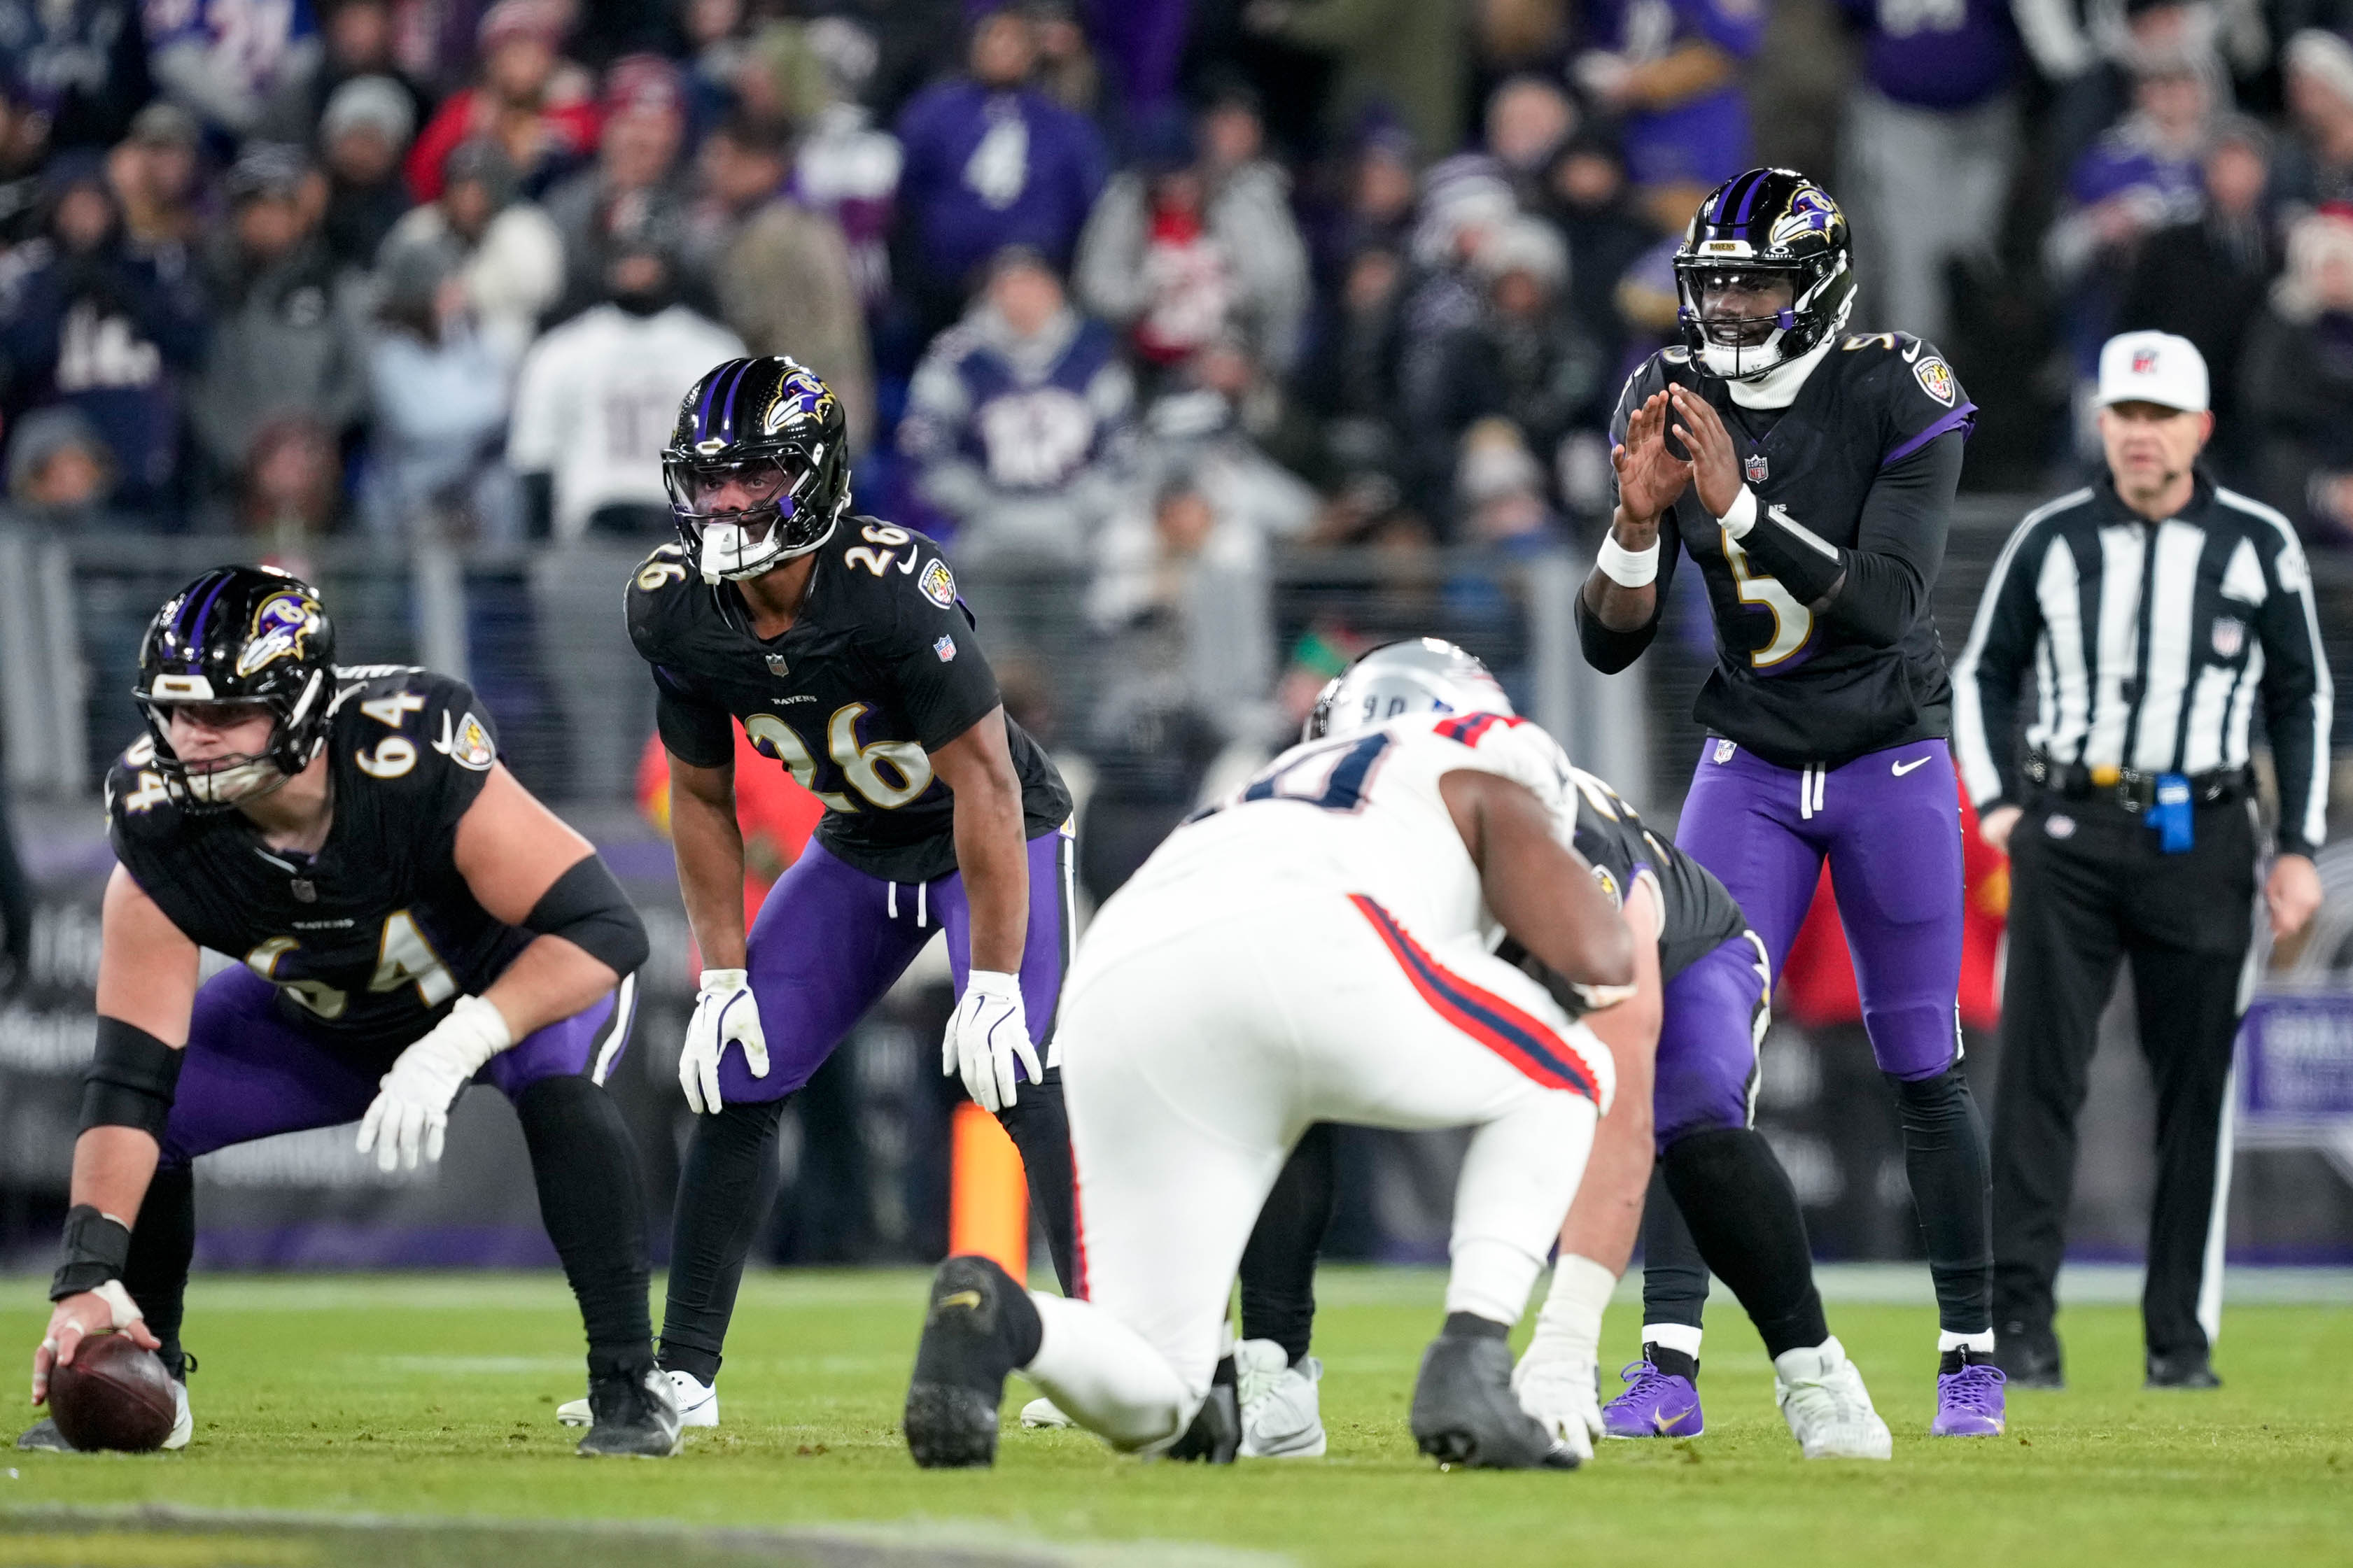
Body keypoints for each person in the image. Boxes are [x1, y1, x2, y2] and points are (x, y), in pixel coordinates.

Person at [901, 640, 1629, 1471]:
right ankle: (1473, 1353)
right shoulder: (1484, 747)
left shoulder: (1262, 781)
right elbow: (1599, 960)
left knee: (1169, 1397)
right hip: (1311, 934)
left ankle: (999, 1313)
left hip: (1121, 975)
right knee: (1573, 1066)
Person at [19, 565, 676, 1457]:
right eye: (177, 713)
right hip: (329, 1015)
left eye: (224, 714)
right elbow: (128, 1082)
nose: (193, 741)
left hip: (506, 980)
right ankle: (153, 1376)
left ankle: (628, 1385)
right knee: (160, 1110)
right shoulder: (155, 817)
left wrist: (464, 1039)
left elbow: (602, 930)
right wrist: (85, 1276)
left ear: (300, 706)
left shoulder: (408, 753)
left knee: (562, 1091)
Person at [1207, 639, 1893, 1464]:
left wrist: (1565, 1345)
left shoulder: (1560, 841)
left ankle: (1812, 1367)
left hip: (1678, 960)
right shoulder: (1334, 829)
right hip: (1492, 975)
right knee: (1293, 1076)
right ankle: (1276, 1372)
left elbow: (1621, 1103)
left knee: (1697, 1120)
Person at [1575, 169, 2003, 1437]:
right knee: (1684, 1061)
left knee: (1919, 1058)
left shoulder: (1896, 383)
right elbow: (1608, 645)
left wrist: (1743, 509)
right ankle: (1667, 1361)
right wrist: (1630, 531)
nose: (1730, 309)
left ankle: (1969, 1353)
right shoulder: (1668, 393)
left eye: (1756, 284)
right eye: (1714, 286)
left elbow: (1884, 601)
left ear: (1817, 288)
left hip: (1890, 756)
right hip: (1749, 762)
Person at [614, 356, 1080, 1429]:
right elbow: (698, 796)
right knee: (740, 1071)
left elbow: (988, 785)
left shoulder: (885, 586)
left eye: (756, 477)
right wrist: (722, 970)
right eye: (710, 481)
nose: (727, 503)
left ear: (815, 476)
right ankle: (682, 1375)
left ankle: (1102, 1339)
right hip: (861, 842)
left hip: (988, 836)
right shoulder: (673, 607)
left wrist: (996, 978)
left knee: (1024, 1071)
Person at [1951, 330, 2331, 1391]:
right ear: (2100, 422)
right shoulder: (2050, 539)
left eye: (2160, 416)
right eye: (2123, 412)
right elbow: (1983, 673)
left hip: (2203, 835)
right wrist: (2001, 810)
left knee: (2193, 1090)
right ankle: (2020, 1328)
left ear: (2199, 429)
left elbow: (2301, 698)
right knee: (2034, 1082)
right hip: (2067, 832)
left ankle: (2179, 1338)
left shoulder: (2256, 543)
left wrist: (2294, 846)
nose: (2138, 434)